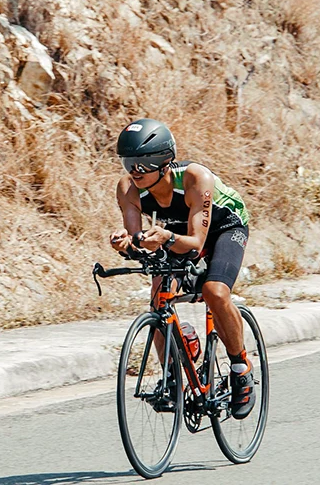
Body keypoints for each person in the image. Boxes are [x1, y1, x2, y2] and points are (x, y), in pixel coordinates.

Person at [109, 118, 255, 420]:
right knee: (159, 296)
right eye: (128, 162)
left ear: (163, 162)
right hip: (177, 230)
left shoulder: (194, 178)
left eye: (142, 164)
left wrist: (165, 237)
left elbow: (195, 242)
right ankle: (174, 374)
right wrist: (128, 244)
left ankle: (241, 367)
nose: (134, 171)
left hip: (224, 227)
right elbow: (139, 240)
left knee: (214, 291)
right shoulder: (127, 188)